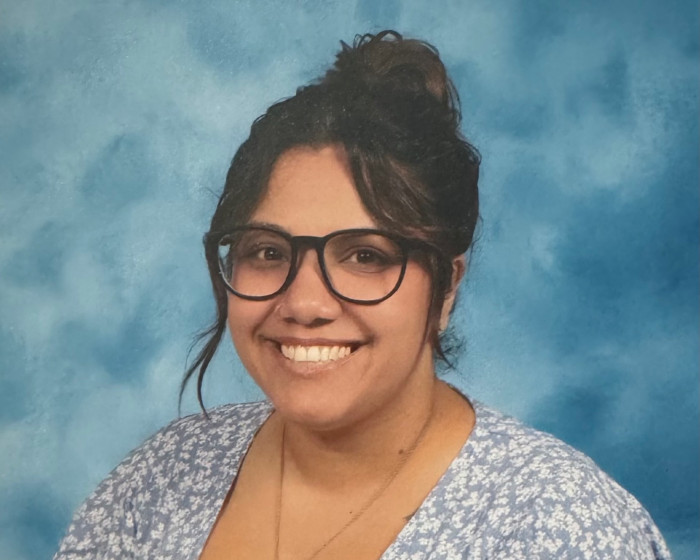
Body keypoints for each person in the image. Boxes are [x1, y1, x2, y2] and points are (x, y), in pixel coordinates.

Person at [54, 31, 672, 560]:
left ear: (447, 288)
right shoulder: (164, 476)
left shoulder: (557, 526)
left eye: (365, 256)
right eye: (268, 251)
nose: (304, 304)